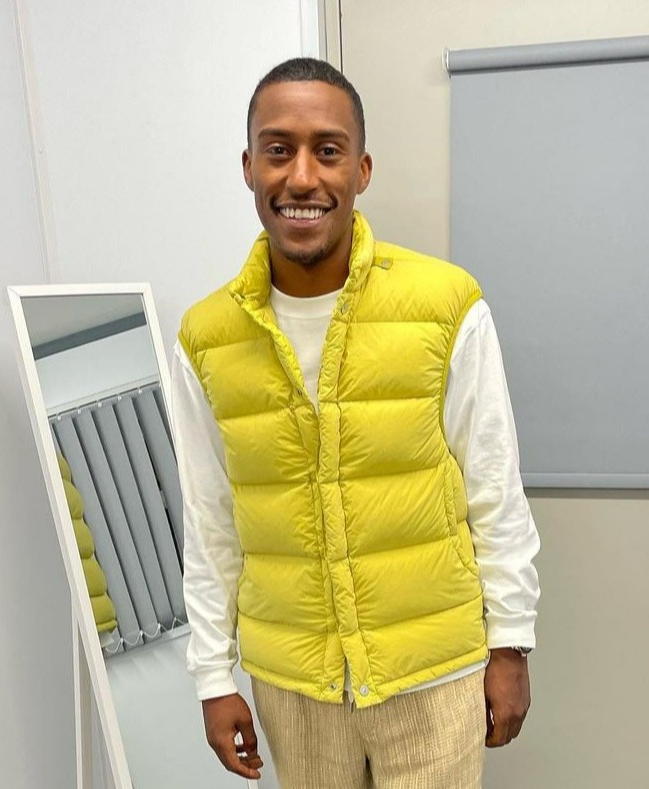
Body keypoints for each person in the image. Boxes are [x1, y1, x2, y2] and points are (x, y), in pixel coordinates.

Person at [171, 57, 540, 789]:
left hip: (432, 674)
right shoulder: (205, 337)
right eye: (278, 150)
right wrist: (213, 676)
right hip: (293, 685)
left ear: (361, 168)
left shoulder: (446, 305)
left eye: (327, 150)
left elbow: (494, 488)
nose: (302, 177)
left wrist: (512, 645)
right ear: (249, 166)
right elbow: (210, 519)